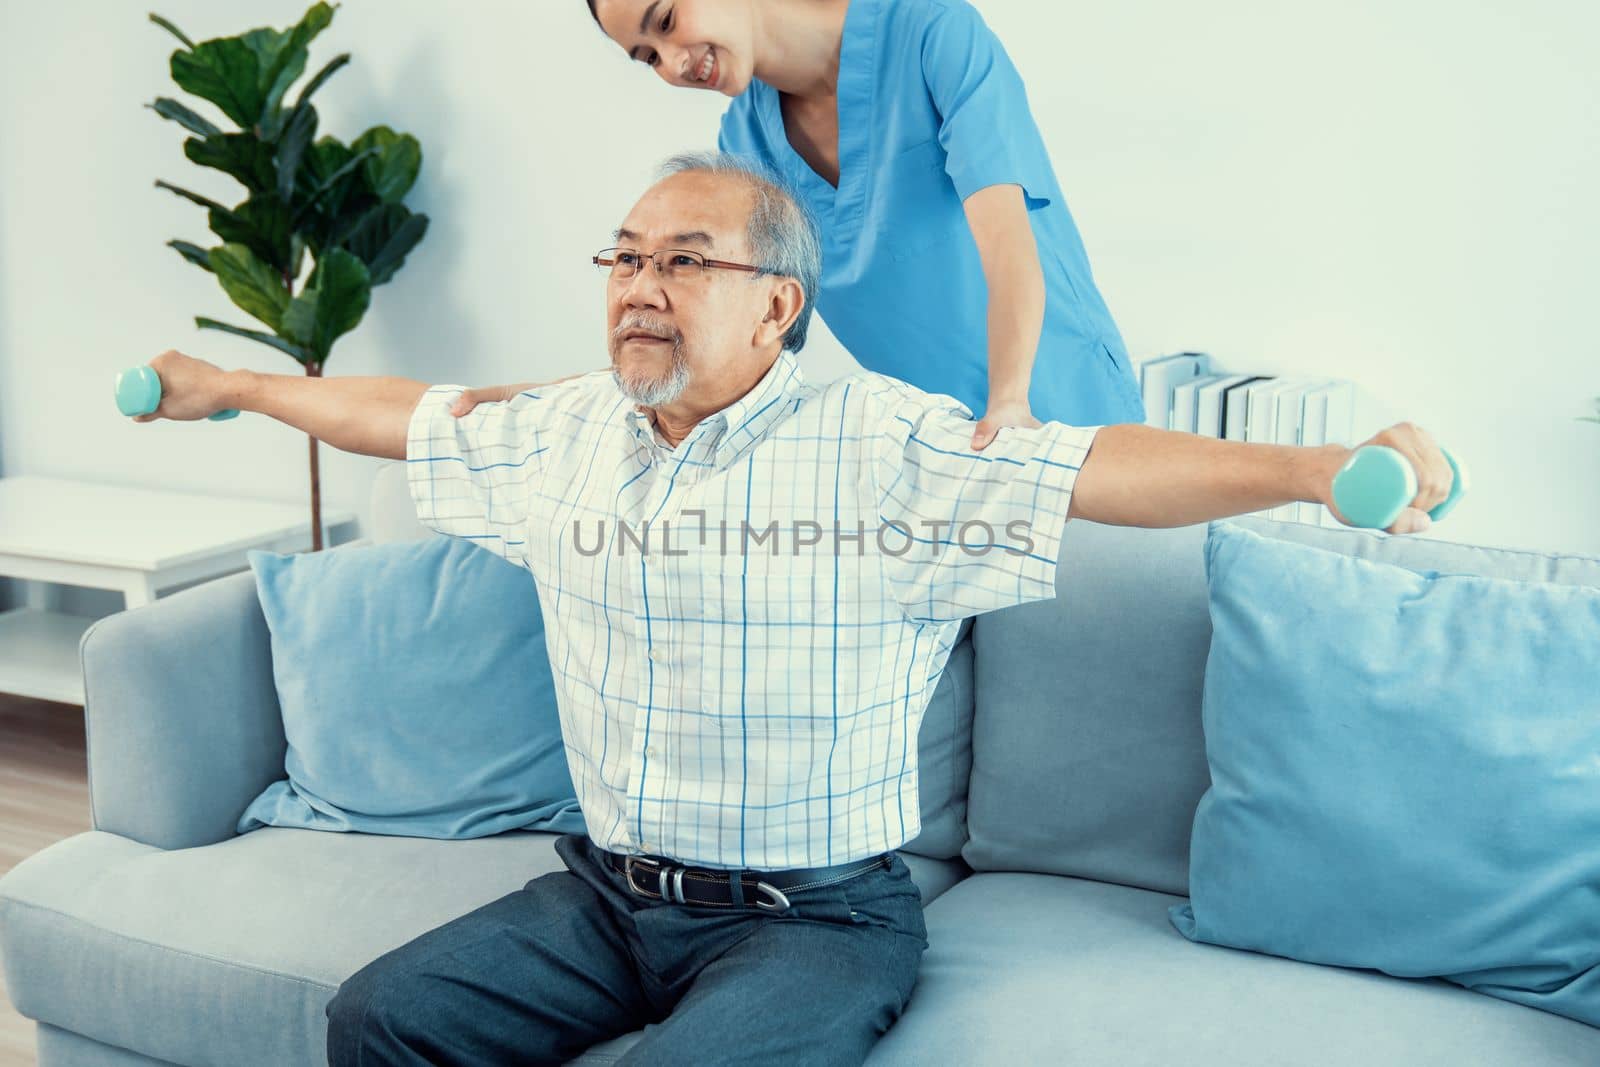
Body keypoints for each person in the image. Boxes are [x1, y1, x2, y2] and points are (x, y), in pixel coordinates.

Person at [131, 151, 1449, 1066]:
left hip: (814, 917)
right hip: (603, 896)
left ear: (778, 305)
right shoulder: (567, 430)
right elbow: (400, 413)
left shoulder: (880, 441)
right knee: (382, 1015)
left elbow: (1093, 462)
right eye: (626, 256)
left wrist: (1314, 471)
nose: (640, 284)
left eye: (685, 260)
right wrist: (236, 386)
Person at [453, 0, 1146, 449]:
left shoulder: (931, 32)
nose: (671, 65)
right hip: (946, 451)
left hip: (1057, 400)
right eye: (647, 58)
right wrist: (545, 405)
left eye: (665, 22)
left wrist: (1010, 405)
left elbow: (1008, 250)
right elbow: (715, 336)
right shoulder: (746, 147)